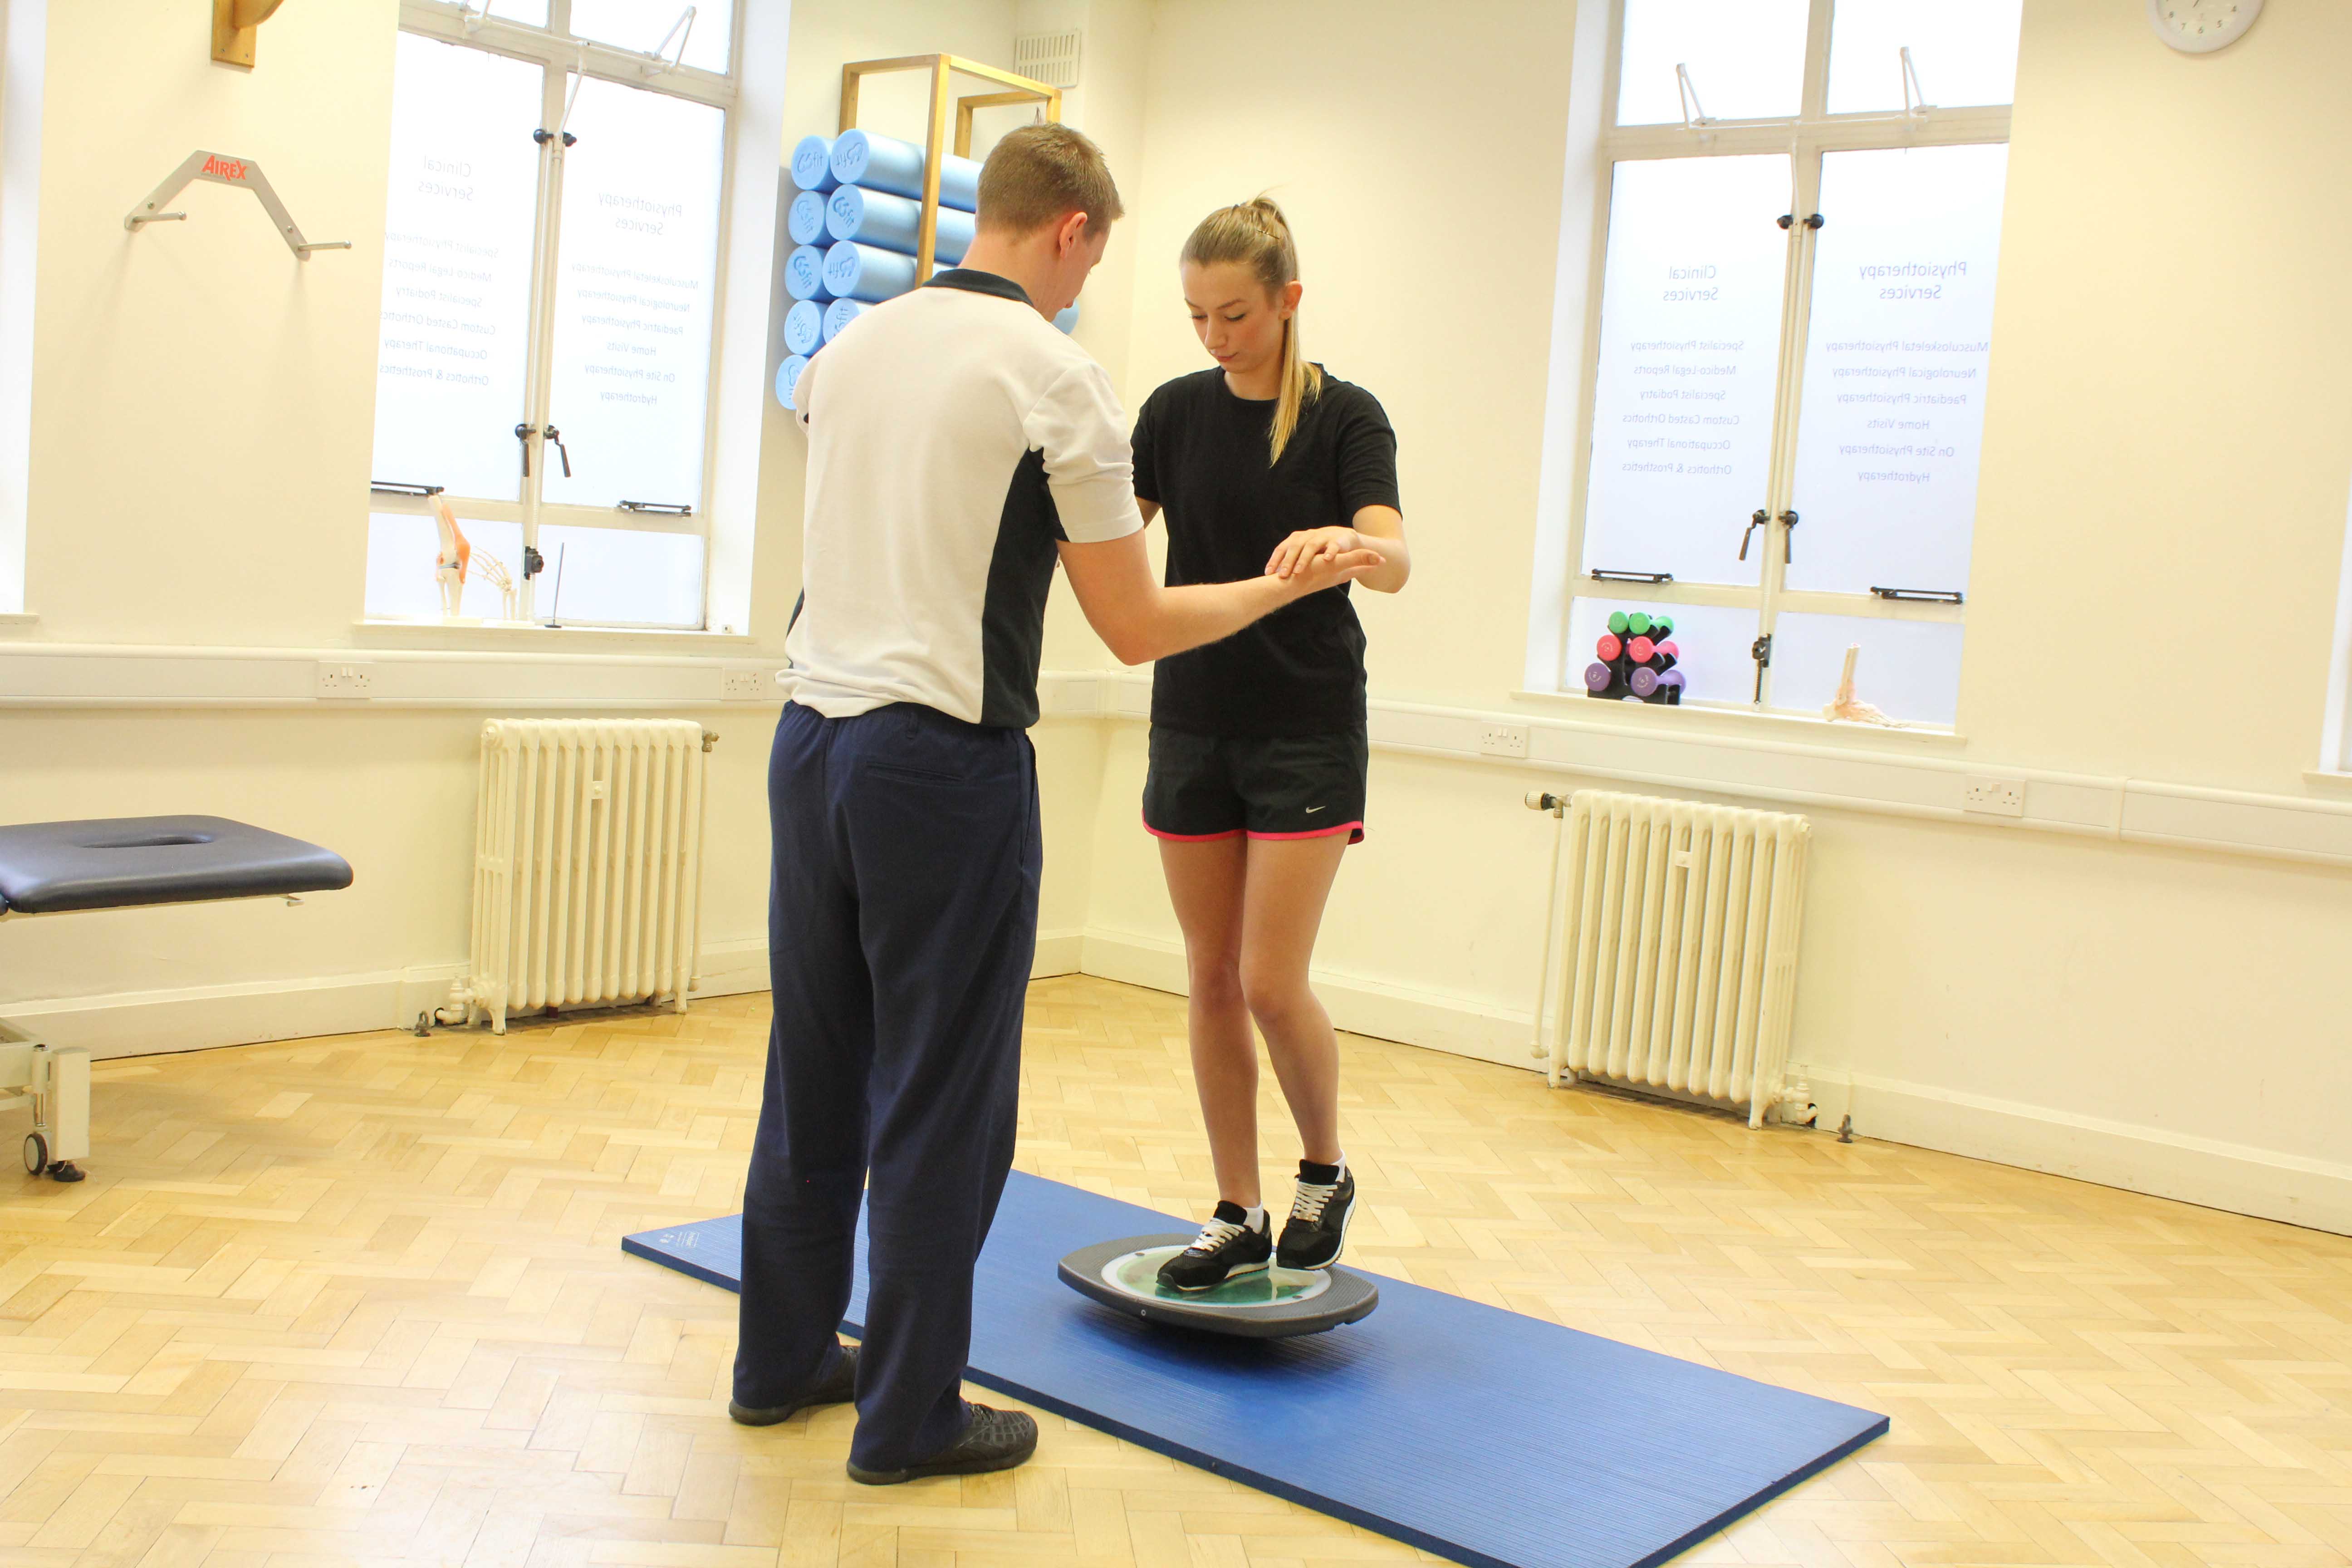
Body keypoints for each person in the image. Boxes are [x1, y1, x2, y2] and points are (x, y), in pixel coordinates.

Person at [731, 131, 1381, 1486]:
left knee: (817, 1077)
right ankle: (908, 1417)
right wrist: (1278, 586)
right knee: (943, 1100)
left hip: (810, 744)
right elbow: (1134, 624)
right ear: (1075, 232)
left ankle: (782, 1361)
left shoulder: (849, 350)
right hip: (939, 766)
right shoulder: (1053, 370)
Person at [1131, 198, 1411, 1294]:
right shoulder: (1172, 412)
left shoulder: (1346, 418)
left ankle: (1324, 1170)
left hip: (1305, 728)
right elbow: (1110, 533)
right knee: (1207, 976)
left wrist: (1352, 540)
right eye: (1197, 315)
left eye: (1235, 314)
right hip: (1191, 718)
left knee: (1267, 979)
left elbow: (1394, 555)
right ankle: (1237, 1210)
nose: (1214, 337)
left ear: (1289, 300)